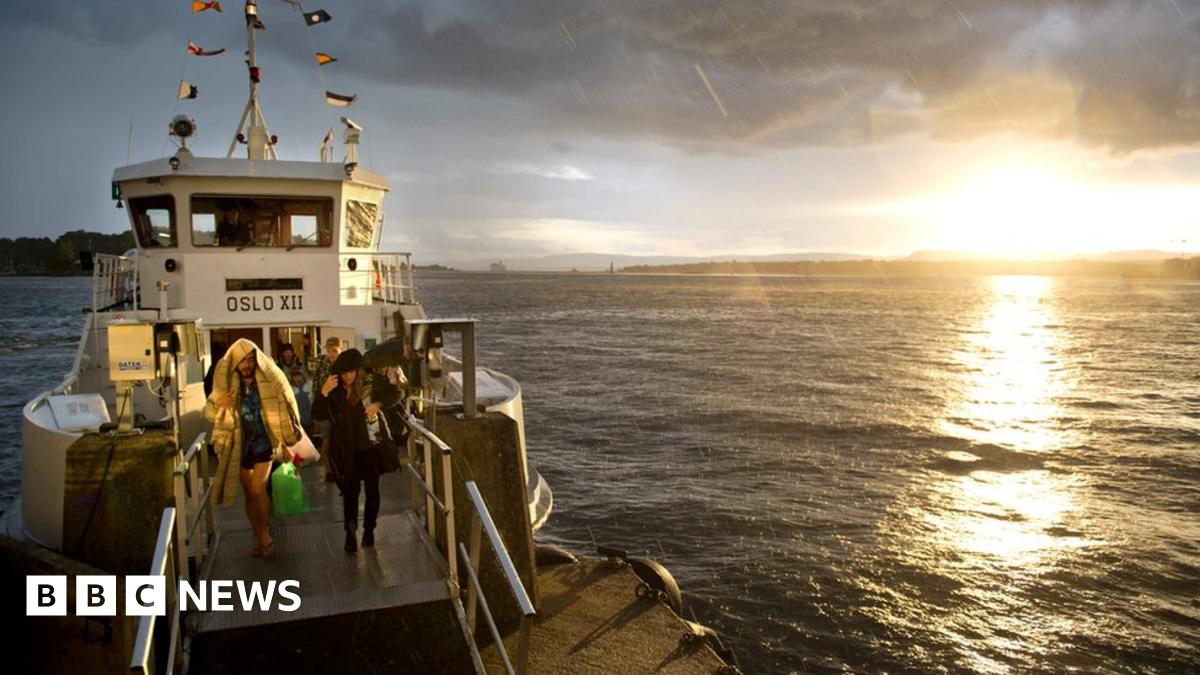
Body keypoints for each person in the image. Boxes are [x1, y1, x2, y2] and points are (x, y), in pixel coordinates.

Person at [205, 338, 302, 558]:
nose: (247, 364)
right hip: (239, 446)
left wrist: (286, 443)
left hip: (265, 442)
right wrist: (220, 404)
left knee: (258, 489)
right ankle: (259, 536)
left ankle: (265, 534)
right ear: (234, 363)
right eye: (242, 361)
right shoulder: (227, 383)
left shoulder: (267, 379)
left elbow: (286, 405)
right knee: (249, 494)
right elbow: (209, 413)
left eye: (250, 359)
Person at [312, 348, 384, 553]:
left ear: (358, 371)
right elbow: (317, 414)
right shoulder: (334, 392)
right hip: (346, 451)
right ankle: (350, 535)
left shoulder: (368, 387)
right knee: (351, 495)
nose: (348, 376)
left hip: (369, 448)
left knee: (373, 493)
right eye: (343, 373)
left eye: (351, 372)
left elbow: (396, 394)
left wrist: (377, 405)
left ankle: (369, 530)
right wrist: (324, 392)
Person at [312, 336, 343, 480]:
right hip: (324, 404)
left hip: (339, 405)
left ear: (341, 349)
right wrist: (315, 402)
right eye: (329, 350)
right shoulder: (321, 361)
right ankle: (328, 469)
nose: (331, 354)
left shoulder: (344, 364)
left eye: (334, 351)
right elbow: (315, 382)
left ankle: (340, 466)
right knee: (327, 437)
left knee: (340, 436)